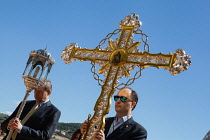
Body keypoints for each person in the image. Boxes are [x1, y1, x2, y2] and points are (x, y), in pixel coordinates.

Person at [80, 87, 147, 140]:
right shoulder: (103, 122)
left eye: (123, 99)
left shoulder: (138, 131)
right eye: (116, 98)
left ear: (132, 104)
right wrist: (86, 132)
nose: (118, 101)